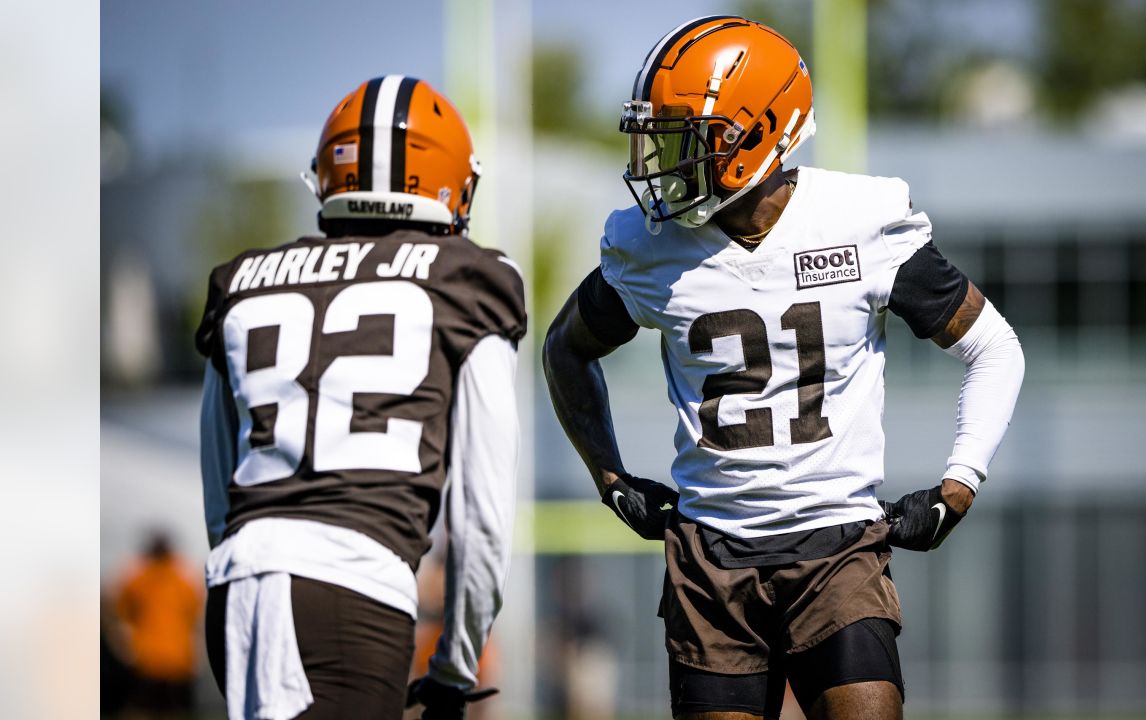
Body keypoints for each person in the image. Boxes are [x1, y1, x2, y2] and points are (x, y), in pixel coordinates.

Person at [542, 17, 1025, 720]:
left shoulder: (859, 220)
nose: (661, 162)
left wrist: (960, 483)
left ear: (756, 135)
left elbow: (994, 346)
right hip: (711, 557)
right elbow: (566, 348)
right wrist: (610, 480)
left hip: (838, 547)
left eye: (686, 139)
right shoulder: (649, 248)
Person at [196, 75, 525, 720]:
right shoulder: (469, 279)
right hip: (351, 589)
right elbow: (483, 511)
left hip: (237, 585)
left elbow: (220, 488)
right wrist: (457, 667)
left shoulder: (244, 281)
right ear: (451, 184)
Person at [113, 531, 202, 717]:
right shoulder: (183, 578)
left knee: (141, 709)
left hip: (147, 658)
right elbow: (194, 614)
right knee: (173, 711)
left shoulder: (139, 578)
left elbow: (121, 611)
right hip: (176, 659)